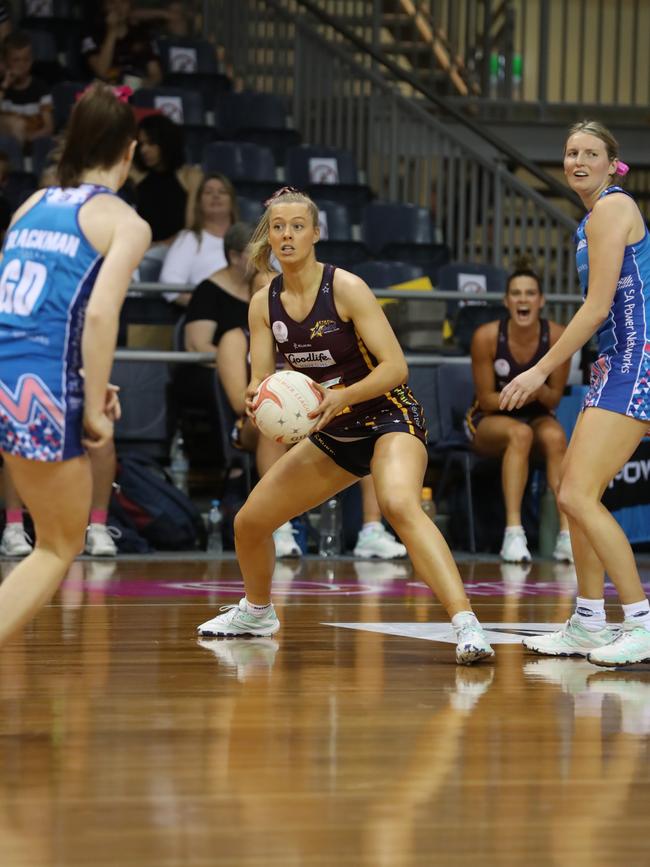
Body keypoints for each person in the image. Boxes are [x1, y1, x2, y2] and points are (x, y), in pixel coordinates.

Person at [196, 187, 494, 665]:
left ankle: (466, 625)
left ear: (316, 233)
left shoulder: (347, 288)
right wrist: (257, 397)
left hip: (387, 416)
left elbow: (396, 367)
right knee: (250, 522)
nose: (287, 234)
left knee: (398, 503)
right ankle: (256, 612)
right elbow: (261, 377)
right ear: (268, 236)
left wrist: (342, 397)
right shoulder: (261, 304)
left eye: (297, 226)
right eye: (278, 226)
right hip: (331, 431)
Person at [0, 82, 151, 647]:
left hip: (10, 368)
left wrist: (86, 377)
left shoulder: (31, 204)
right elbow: (99, 316)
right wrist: (91, 407)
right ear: (130, 150)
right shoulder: (125, 222)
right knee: (58, 546)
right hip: (40, 387)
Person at [501, 120, 650, 667]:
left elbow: (597, 306)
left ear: (613, 165)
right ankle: (589, 620)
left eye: (590, 153)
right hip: (616, 363)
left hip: (637, 362)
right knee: (574, 491)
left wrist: (540, 369)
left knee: (577, 495)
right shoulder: (590, 220)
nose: (577, 160)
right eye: (570, 153)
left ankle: (640, 621)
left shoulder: (612, 208)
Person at [466, 260, 573, 563]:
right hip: (489, 419)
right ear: (506, 301)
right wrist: (525, 391)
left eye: (530, 293)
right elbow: (486, 400)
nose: (523, 299)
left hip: (538, 413)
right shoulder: (486, 336)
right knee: (520, 433)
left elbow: (552, 401)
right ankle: (513, 533)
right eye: (516, 293)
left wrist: (536, 389)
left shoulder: (557, 337)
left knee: (554, 437)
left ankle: (566, 535)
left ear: (541, 301)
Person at [160, 173, 238, 306]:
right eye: (208, 192)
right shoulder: (188, 239)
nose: (215, 196)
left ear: (232, 202)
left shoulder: (252, 238)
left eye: (222, 192)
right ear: (199, 202)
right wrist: (203, 308)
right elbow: (169, 284)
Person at [81, 0, 163, 88]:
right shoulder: (92, 36)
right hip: (105, 92)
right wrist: (112, 31)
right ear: (104, 6)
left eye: (123, 2)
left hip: (137, 90)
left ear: (130, 5)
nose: (118, 7)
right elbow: (101, 71)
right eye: (112, 2)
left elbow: (156, 74)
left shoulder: (142, 35)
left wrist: (144, 85)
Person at [0, 31, 54, 147]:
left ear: (32, 60)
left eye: (26, 60)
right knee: (14, 124)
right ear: (5, 63)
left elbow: (48, 128)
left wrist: (28, 138)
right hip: (8, 148)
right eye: (16, 60)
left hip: (34, 144)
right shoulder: (2, 88)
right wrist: (5, 86)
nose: (22, 65)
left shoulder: (41, 87)